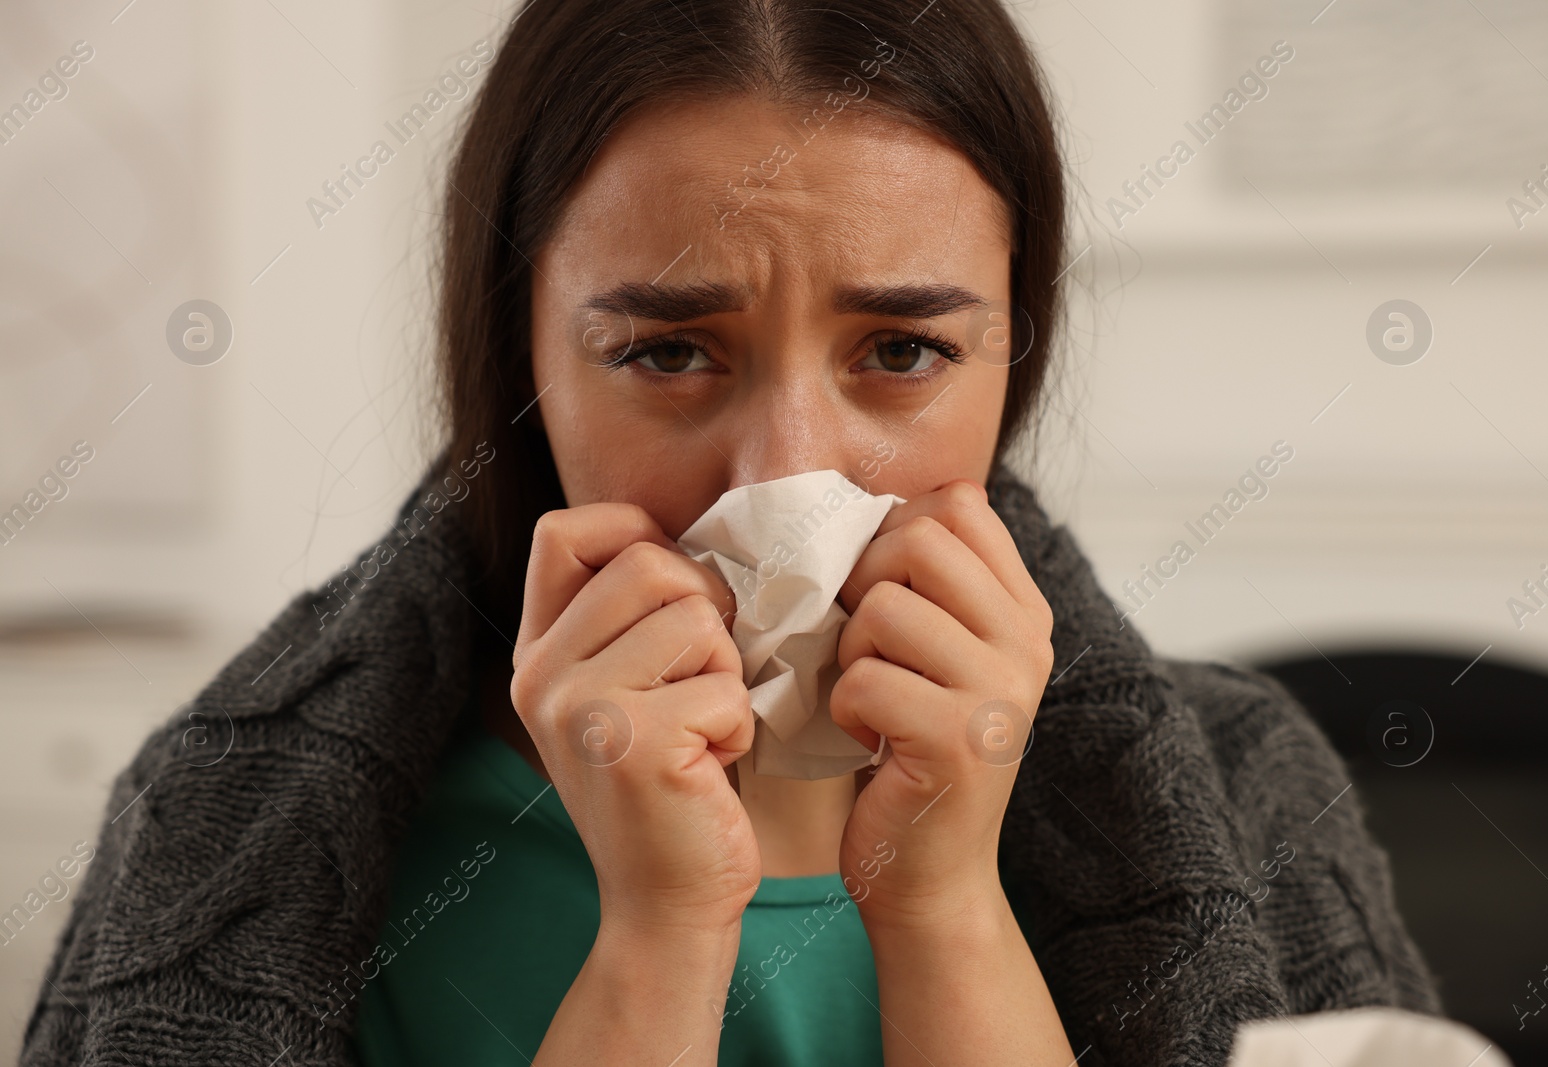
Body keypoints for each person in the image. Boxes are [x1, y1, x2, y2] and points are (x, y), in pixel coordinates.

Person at [19, 0, 1442, 1064]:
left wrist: (941, 905)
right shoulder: (239, 835)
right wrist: (660, 933)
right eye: (667, 354)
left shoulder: (1252, 796)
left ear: (1016, 355)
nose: (786, 473)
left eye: (899, 353)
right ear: (522, 363)